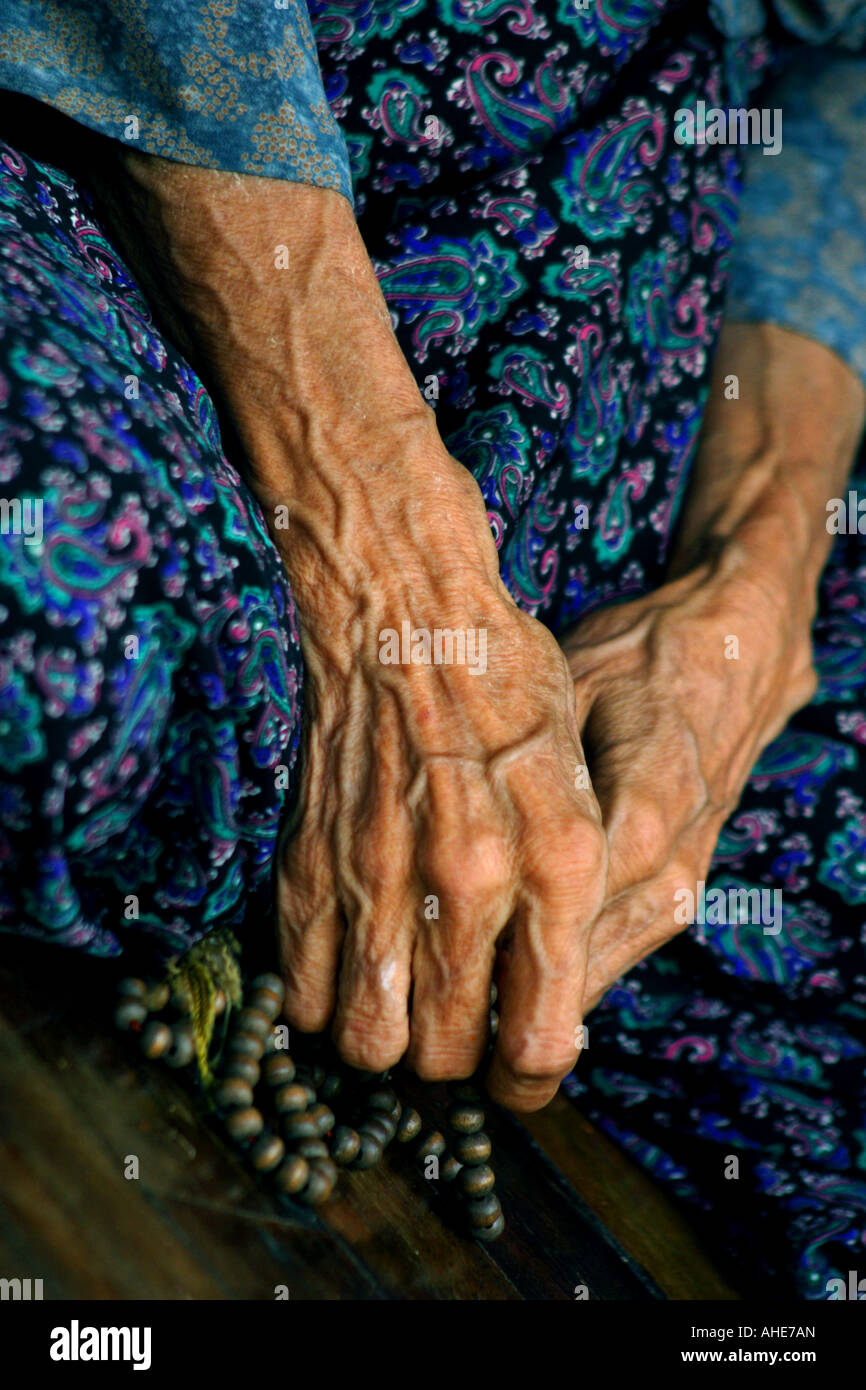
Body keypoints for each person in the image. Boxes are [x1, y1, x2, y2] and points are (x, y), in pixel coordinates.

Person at [0, 0, 864, 1296]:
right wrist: (371, 533)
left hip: (644, 351)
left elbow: (834, 65)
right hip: (177, 206)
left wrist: (750, 574)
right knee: (56, 637)